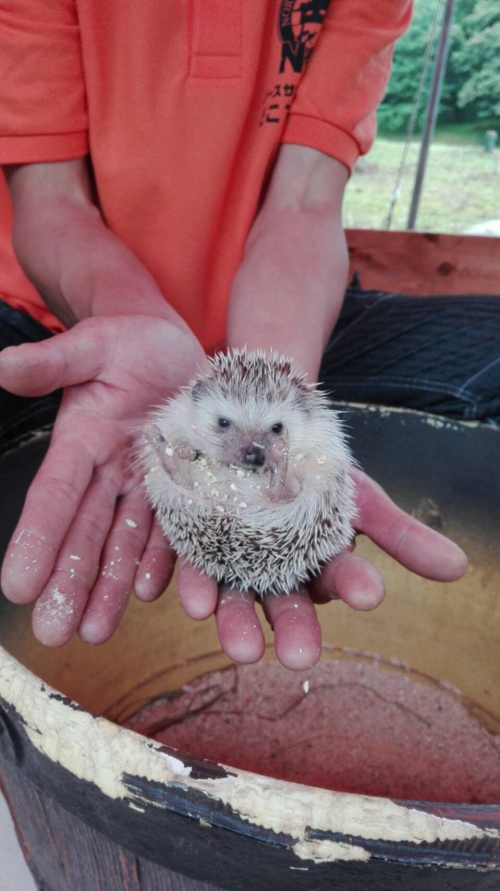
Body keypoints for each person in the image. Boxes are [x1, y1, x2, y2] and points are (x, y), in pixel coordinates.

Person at [0, 0, 468, 671]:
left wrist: (280, 381)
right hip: (54, 315)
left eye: (274, 433)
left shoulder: (273, 416)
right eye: (235, 432)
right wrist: (129, 315)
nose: (250, 452)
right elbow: (50, 201)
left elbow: (306, 199)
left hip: (290, 314)